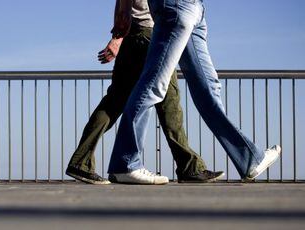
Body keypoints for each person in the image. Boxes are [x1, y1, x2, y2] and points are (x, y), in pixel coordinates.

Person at [107, 0, 281, 185]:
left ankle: (249, 159)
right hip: (175, 6)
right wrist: (125, 8)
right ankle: (125, 163)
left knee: (208, 89)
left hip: (196, 10)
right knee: (154, 84)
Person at [66, 0, 224, 184]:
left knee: (114, 101)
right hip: (152, 37)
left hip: (133, 37)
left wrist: (118, 37)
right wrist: (118, 38)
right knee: (170, 105)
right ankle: (189, 167)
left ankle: (80, 161)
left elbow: (123, 6)